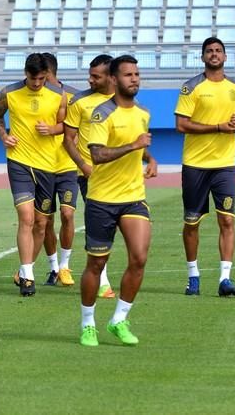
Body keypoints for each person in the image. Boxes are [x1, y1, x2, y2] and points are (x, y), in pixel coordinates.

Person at [79, 55, 157, 347]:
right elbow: (97, 155)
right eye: (128, 75)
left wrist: (150, 157)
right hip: (101, 199)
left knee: (139, 257)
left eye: (137, 74)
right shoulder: (101, 114)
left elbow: (140, 146)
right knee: (96, 265)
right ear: (114, 79)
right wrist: (134, 146)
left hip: (133, 197)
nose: (134, 79)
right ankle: (88, 324)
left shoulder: (143, 113)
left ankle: (119, 319)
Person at [174, 37, 235, 297]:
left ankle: (225, 279)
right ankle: (193, 275)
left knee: (227, 220)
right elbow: (181, 124)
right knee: (192, 223)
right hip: (195, 165)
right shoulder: (191, 87)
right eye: (210, 51)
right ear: (202, 57)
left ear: (226, 57)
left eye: (219, 51)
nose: (214, 54)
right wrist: (217, 127)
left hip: (225, 165)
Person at [0, 53, 63, 296]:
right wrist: (3, 136)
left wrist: (52, 129)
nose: (36, 83)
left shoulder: (57, 95)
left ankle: (25, 269)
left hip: (47, 165)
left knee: (42, 224)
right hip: (19, 161)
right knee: (26, 217)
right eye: (33, 79)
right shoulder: (9, 93)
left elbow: (67, 125)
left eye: (41, 78)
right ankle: (28, 277)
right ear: (25, 73)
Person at [63, 54, 117, 298]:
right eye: (90, 75)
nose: (90, 79)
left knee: (120, 227)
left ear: (110, 77)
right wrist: (83, 166)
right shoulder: (80, 101)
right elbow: (68, 140)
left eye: (96, 76)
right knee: (99, 226)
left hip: (121, 177)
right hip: (90, 176)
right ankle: (102, 280)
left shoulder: (123, 101)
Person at [39, 52, 79, 288]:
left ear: (49, 74)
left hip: (66, 166)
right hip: (42, 166)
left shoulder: (73, 96)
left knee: (67, 214)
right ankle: (53, 267)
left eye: (42, 77)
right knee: (45, 220)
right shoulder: (33, 95)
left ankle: (65, 266)